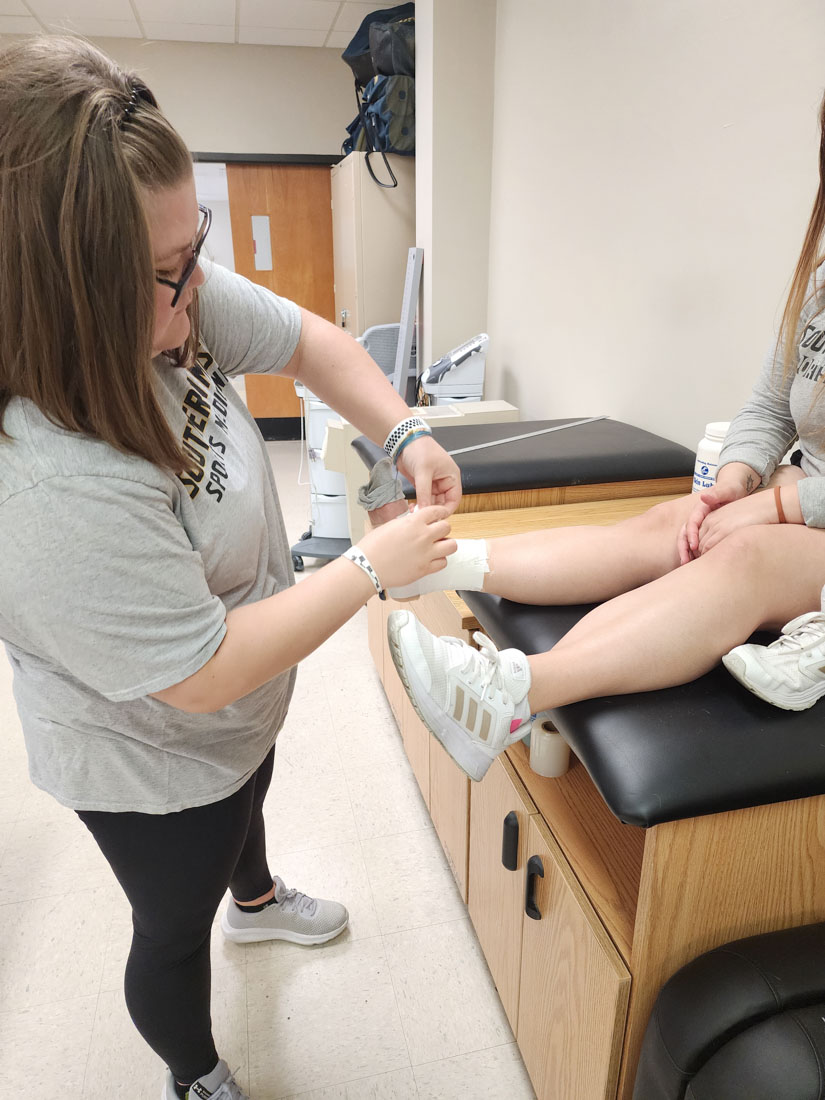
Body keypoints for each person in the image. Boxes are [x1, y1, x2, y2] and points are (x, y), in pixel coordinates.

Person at [0, 37, 460, 1100]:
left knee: (247, 788)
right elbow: (201, 674)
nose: (197, 285)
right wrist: (366, 566)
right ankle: (193, 1067)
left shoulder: (174, 296)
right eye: (169, 272)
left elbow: (312, 344)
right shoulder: (47, 482)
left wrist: (406, 435)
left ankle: (255, 902)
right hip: (150, 757)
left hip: (234, 707)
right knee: (171, 920)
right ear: (61, 292)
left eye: (190, 242)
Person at [384, 90, 825, 783]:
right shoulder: (819, 280)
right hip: (796, 499)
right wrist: (736, 482)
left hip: (801, 514)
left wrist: (774, 507)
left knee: (744, 561)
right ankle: (441, 566)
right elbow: (770, 405)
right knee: (673, 524)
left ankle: (515, 691)